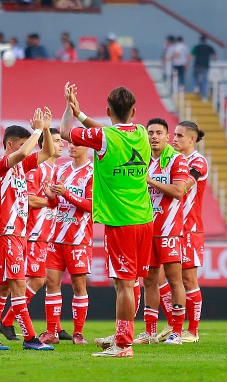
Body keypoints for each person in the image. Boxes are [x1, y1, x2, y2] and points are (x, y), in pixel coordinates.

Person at [61, 82, 153, 358]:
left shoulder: (104, 138)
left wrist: (69, 107)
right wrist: (82, 115)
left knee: (124, 284)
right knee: (129, 282)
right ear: (134, 111)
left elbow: (66, 133)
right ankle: (122, 333)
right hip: (144, 218)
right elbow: (109, 130)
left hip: (120, 221)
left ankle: (123, 345)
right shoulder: (141, 133)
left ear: (108, 110)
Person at [0, 108, 55, 351]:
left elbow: (49, 152)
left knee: (2, 287)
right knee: (18, 286)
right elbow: (24, 152)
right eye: (22, 145)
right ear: (9, 145)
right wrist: (37, 130)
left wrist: (45, 132)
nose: (27, 149)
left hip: (18, 235)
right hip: (7, 233)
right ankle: (31, 339)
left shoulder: (22, 167)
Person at [0, 127, 67, 341]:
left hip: (46, 233)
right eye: (55, 141)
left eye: (59, 140)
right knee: (36, 279)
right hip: (32, 232)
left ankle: (51, 327)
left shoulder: (55, 171)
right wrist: (49, 200)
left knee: (31, 281)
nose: (61, 144)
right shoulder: (37, 170)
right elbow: (25, 198)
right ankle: (8, 321)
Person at [132, 118, 188, 346]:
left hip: (169, 230)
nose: (154, 136)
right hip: (147, 229)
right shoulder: (141, 160)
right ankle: (150, 332)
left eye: (159, 133)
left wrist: (150, 181)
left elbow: (178, 191)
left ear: (167, 137)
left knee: (175, 280)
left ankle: (176, 331)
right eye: (150, 133)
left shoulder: (176, 159)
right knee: (149, 281)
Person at [157, 121, 207, 344]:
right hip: (169, 226)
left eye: (179, 135)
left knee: (187, 278)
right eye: (174, 135)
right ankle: (173, 325)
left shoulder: (198, 162)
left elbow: (183, 187)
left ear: (192, 139)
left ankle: (192, 331)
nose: (174, 139)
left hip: (189, 228)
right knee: (162, 276)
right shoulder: (171, 159)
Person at [39, 141, 93, 346]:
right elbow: (54, 204)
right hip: (56, 236)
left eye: (76, 145)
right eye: (69, 144)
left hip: (78, 238)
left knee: (79, 285)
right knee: (51, 283)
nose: (71, 147)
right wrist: (50, 196)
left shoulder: (92, 173)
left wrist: (66, 194)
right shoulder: (60, 169)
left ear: (86, 147)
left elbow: (90, 205)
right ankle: (51, 331)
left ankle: (78, 333)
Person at [190, 35, 217, 102]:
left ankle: (196, 87)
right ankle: (204, 97)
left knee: (195, 76)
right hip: (205, 65)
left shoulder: (196, 47)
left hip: (197, 65)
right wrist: (212, 59)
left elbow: (190, 56)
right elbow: (215, 56)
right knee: (205, 81)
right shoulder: (209, 47)